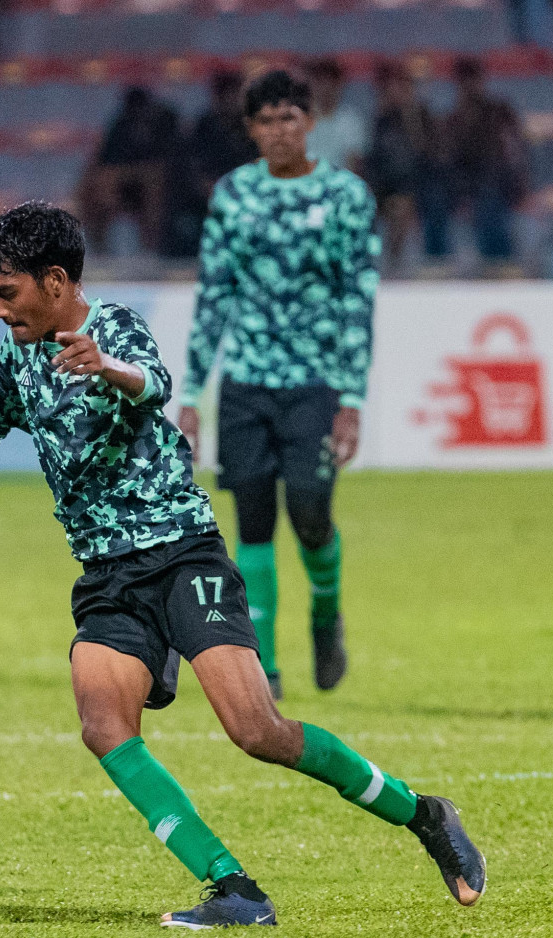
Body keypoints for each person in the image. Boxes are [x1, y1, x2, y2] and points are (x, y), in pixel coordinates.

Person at [0, 200, 486, 928]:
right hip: (107, 577)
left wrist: (108, 368)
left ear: (55, 279)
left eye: (7, 293)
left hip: (181, 554)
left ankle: (424, 814)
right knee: (103, 726)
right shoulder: (18, 358)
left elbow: (151, 382)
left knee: (257, 731)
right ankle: (235, 890)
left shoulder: (115, 327)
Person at [178, 71, 379, 699]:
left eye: (288, 118)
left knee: (311, 511)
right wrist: (190, 394)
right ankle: (263, 664)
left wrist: (351, 399)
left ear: (310, 122)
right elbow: (214, 294)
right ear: (250, 130)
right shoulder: (235, 194)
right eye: (264, 121)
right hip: (246, 381)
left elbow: (359, 300)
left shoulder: (346, 196)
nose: (277, 131)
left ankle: (326, 614)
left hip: (316, 383)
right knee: (254, 518)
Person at [441, 57, 530, 269]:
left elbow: (517, 151)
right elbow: (449, 164)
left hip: (501, 186)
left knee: (489, 201)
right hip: (466, 190)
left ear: (481, 80)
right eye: (465, 80)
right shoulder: (454, 120)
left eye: (474, 78)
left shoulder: (500, 112)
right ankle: (492, 264)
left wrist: (522, 183)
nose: (470, 85)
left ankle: (501, 264)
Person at [163, 70, 261, 260]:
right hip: (204, 197)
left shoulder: (252, 128)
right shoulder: (204, 126)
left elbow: (259, 166)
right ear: (217, 97)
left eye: (236, 94)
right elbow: (194, 171)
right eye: (227, 94)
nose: (232, 100)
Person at [78, 86, 179, 258]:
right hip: (125, 189)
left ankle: (150, 251)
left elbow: (167, 166)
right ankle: (100, 253)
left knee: (153, 182)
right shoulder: (121, 123)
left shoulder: (165, 122)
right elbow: (103, 161)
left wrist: (129, 173)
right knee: (96, 185)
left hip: (166, 189)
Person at [364, 62, 440, 274]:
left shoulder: (422, 116)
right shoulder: (380, 120)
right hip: (384, 186)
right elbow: (373, 161)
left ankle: (395, 268)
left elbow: (429, 155)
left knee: (404, 208)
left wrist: (410, 116)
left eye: (403, 86)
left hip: (418, 185)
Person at [303, 58, 366, 175]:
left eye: (330, 81)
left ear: (339, 85)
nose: (325, 87)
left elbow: (353, 165)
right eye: (319, 81)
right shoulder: (298, 121)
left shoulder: (350, 121)